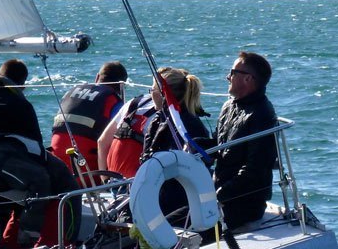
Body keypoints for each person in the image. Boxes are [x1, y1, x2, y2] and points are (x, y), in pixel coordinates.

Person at [213, 51, 278, 230]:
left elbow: (255, 169)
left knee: (183, 224)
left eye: (232, 73)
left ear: (248, 79)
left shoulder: (263, 115)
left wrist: (218, 194)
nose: (228, 77)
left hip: (243, 203)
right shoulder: (229, 106)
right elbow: (215, 145)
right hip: (219, 194)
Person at [140, 67, 210, 222]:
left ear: (162, 93)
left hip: (177, 198)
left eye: (152, 90)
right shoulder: (162, 119)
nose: (150, 94)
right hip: (160, 192)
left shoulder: (183, 125)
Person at [51, 61, 127, 175]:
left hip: (57, 165)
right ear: (121, 85)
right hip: (87, 169)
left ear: (97, 77)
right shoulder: (113, 101)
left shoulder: (71, 92)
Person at [97, 92, 156, 178]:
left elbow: (102, 142)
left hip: (113, 181)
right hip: (139, 184)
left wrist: (105, 181)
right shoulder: (169, 115)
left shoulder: (134, 102)